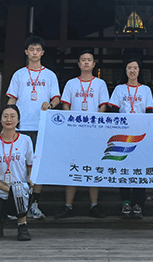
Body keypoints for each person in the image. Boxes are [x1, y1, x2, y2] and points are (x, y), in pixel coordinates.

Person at [6, 36, 60, 219]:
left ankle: (34, 205)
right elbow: (12, 99)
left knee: (37, 167)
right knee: (19, 166)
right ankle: (18, 205)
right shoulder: (19, 75)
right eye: (31, 49)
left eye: (38, 49)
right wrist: (8, 121)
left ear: (42, 53)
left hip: (41, 126)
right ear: (26, 52)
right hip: (21, 127)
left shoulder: (50, 75)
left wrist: (50, 105)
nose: (35, 53)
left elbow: (56, 98)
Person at [55, 50, 110, 219]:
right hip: (75, 132)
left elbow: (103, 106)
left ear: (94, 64)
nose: (86, 62)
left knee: (93, 167)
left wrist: (94, 124)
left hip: (94, 132)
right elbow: (65, 105)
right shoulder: (71, 83)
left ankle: (94, 205)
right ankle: (68, 205)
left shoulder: (100, 84)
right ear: (79, 64)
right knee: (73, 166)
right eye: (83, 60)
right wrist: (74, 123)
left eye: (89, 60)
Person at [108, 58, 153, 219]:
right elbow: (114, 110)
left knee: (140, 170)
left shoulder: (145, 90)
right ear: (125, 71)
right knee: (124, 168)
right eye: (129, 68)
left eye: (135, 68)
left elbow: (150, 111)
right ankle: (126, 203)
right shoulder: (119, 89)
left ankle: (138, 204)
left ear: (139, 70)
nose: (132, 71)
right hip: (123, 136)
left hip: (140, 136)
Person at [0, 105, 34, 241]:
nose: (9, 119)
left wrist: (29, 178)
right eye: (5, 116)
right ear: (1, 119)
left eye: (12, 116)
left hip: (20, 190)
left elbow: (31, 164)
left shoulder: (25, 140)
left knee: (18, 191)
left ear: (18, 120)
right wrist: (7, 189)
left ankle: (22, 225)